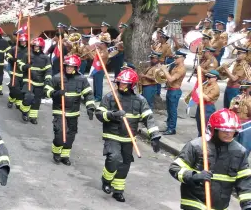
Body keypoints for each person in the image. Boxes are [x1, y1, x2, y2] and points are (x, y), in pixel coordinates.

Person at [96, 68, 161, 202]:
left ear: (131, 85)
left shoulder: (140, 100)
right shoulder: (110, 97)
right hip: (112, 135)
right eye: (120, 83)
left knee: (125, 164)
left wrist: (154, 136)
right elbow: (99, 114)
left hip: (128, 138)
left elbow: (148, 118)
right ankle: (106, 180)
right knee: (114, 158)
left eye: (124, 83)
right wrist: (112, 115)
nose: (121, 85)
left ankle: (118, 190)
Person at [46, 55, 95, 165]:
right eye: (67, 66)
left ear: (76, 68)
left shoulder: (82, 79)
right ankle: (56, 151)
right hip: (60, 110)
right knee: (60, 133)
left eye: (71, 67)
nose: (68, 68)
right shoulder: (58, 77)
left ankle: (65, 155)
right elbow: (47, 90)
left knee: (70, 135)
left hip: (73, 112)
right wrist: (56, 93)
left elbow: (88, 94)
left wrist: (90, 106)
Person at [17, 38, 52, 124]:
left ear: (41, 47)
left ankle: (33, 116)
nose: (36, 48)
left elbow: (48, 70)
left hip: (39, 82)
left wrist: (48, 79)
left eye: (38, 46)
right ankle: (24, 111)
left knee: (36, 101)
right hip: (28, 80)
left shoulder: (45, 58)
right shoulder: (27, 55)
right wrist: (25, 67)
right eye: (35, 46)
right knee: (28, 97)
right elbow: (20, 65)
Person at [163, 50, 188, 135]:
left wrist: (164, 70)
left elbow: (171, 79)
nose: (175, 59)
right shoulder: (175, 66)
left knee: (173, 111)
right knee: (169, 110)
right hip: (170, 89)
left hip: (175, 91)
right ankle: (168, 126)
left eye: (177, 57)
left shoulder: (181, 69)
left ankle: (172, 129)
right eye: (175, 57)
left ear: (183, 58)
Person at [194, 70, 221, 136]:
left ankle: (205, 140)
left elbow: (208, 98)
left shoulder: (215, 88)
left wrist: (199, 92)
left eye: (209, 77)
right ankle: (200, 137)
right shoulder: (206, 84)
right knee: (199, 123)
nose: (207, 79)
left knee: (205, 125)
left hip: (208, 107)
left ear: (215, 78)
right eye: (207, 77)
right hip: (201, 105)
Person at [229, 82, 251, 157]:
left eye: (246, 89)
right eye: (242, 89)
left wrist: (248, 105)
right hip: (236, 123)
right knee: (234, 144)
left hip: (247, 125)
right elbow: (231, 112)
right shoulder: (235, 98)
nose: (244, 91)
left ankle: (243, 161)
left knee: (245, 145)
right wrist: (237, 103)